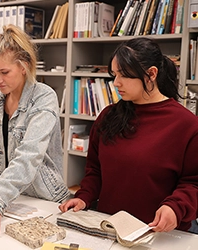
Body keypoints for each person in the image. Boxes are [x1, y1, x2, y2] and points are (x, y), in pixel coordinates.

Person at [59, 37, 198, 233]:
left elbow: (193, 183)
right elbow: (95, 170)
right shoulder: (108, 116)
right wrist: (84, 197)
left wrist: (176, 207)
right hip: (109, 227)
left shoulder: (187, 125)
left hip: (159, 234)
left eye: (124, 75)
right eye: (114, 75)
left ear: (151, 74)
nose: (116, 83)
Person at [0, 24, 70, 239]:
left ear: (24, 66)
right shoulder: (0, 97)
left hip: (43, 199)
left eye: (4, 72)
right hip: (11, 198)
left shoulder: (44, 97)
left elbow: (29, 155)